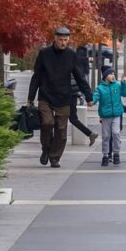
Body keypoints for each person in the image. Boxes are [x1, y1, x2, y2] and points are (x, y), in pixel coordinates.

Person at [28, 27, 97, 168]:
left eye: (66, 40)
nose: (63, 43)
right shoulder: (44, 53)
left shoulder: (72, 55)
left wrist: (89, 96)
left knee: (61, 129)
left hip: (64, 96)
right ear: (55, 38)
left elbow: (79, 77)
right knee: (47, 123)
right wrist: (31, 96)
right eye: (60, 40)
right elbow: (36, 76)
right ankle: (46, 149)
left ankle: (55, 157)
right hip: (46, 95)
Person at [93, 66, 126, 166]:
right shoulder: (100, 88)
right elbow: (95, 97)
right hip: (105, 115)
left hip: (117, 114)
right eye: (110, 74)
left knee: (116, 133)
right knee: (106, 136)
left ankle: (116, 153)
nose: (113, 75)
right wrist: (91, 101)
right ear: (105, 76)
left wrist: (123, 83)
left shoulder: (117, 85)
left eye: (113, 74)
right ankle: (105, 155)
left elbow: (125, 93)